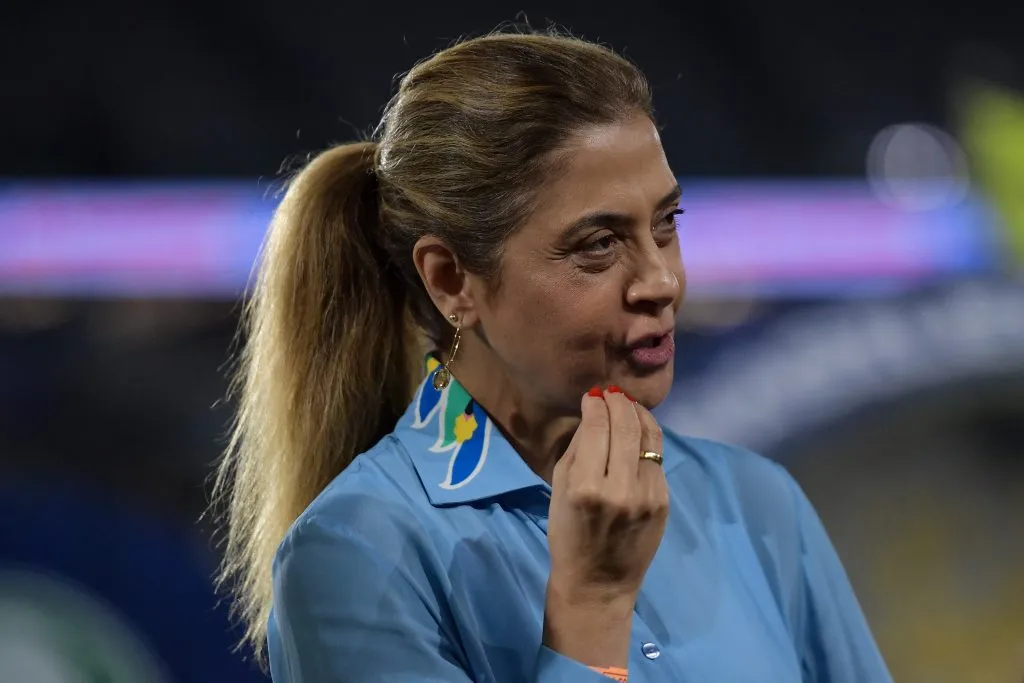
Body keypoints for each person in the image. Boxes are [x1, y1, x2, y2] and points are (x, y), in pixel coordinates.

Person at [213, 29, 893, 683]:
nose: (661, 281)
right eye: (599, 243)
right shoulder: (354, 553)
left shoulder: (755, 499)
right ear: (451, 279)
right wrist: (593, 604)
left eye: (666, 224)